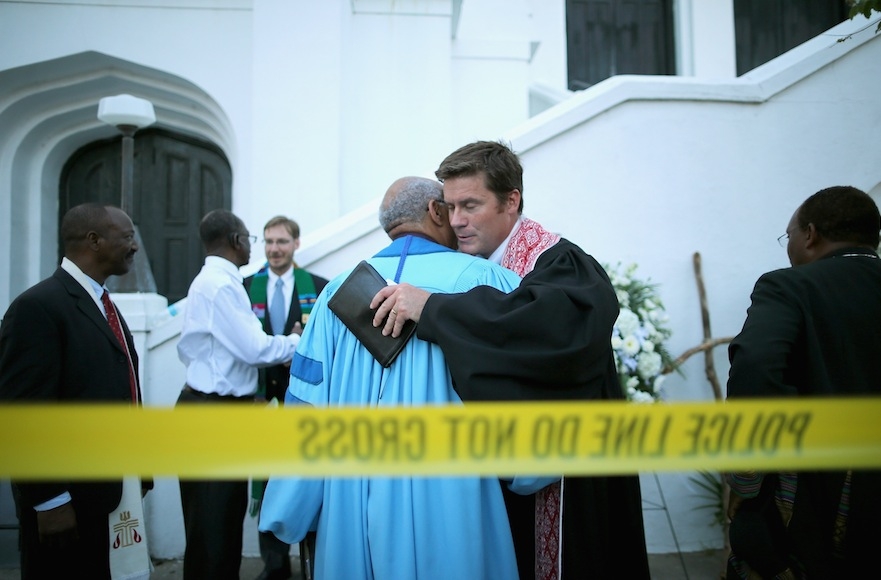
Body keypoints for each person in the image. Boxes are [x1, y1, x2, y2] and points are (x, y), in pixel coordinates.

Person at [370, 141, 650, 579]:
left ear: (511, 200)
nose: (457, 221)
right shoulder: (476, 265)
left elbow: (549, 334)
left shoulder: (558, 261)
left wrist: (435, 309)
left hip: (569, 484)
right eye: (449, 206)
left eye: (470, 205)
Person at [259, 176, 522, 580]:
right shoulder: (487, 280)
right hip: (453, 485)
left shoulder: (335, 295)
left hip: (353, 488)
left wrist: (293, 505)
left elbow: (306, 409)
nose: (457, 219)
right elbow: (518, 390)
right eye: (450, 209)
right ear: (436, 212)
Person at [725, 185, 881, 578]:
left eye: (789, 235)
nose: (789, 246)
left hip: (820, 500)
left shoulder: (790, 286)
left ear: (810, 234)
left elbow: (755, 372)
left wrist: (746, 481)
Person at [0, 203, 145, 579]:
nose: (135, 247)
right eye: (127, 237)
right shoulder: (38, 307)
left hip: (110, 494)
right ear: (94, 241)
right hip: (68, 506)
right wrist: (50, 501)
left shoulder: (104, 305)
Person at [176, 209, 300, 579]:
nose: (255, 247)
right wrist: (297, 340)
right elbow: (255, 349)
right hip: (212, 414)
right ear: (235, 241)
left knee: (222, 522)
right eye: (251, 238)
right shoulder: (221, 284)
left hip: (218, 410)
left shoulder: (219, 280)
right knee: (213, 528)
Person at [243, 215, 328, 580]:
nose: (274, 249)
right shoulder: (247, 287)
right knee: (269, 479)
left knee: (305, 476)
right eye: (268, 242)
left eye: (281, 241)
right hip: (262, 400)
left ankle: (311, 559)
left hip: (303, 400)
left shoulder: (320, 288)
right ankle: (275, 565)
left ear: (296, 244)